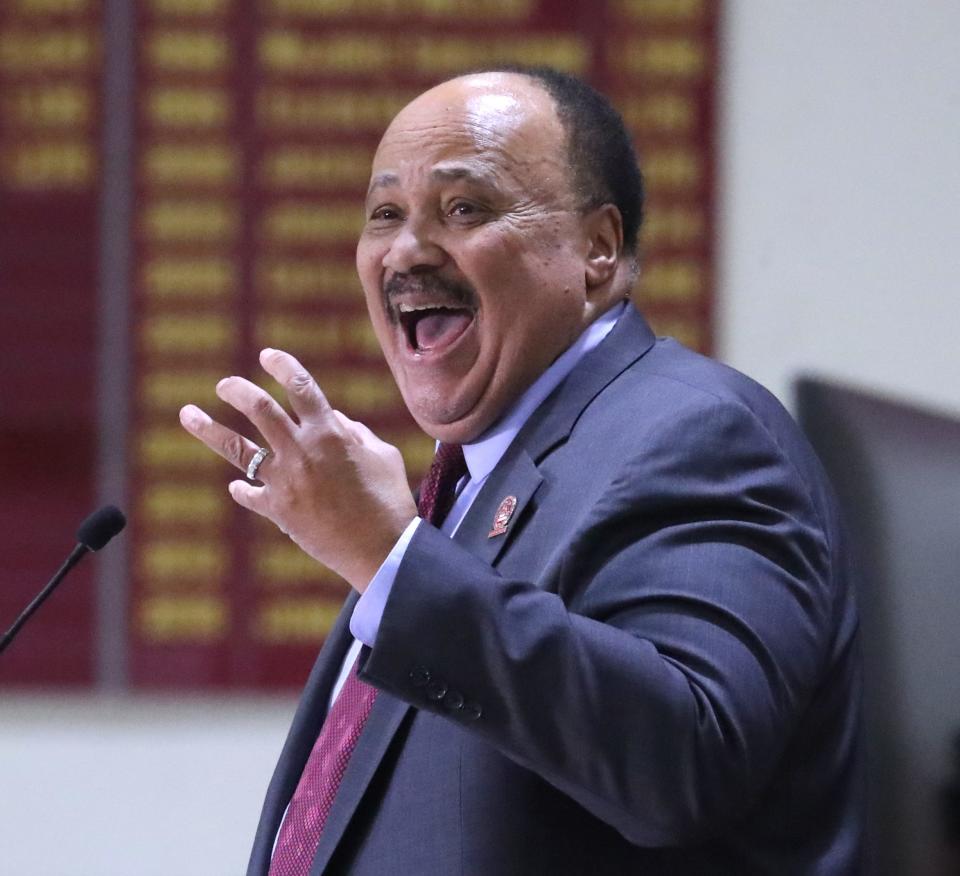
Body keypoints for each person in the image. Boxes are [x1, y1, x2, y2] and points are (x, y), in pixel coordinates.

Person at [180, 67, 863, 874]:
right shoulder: (463, 490)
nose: (406, 250)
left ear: (597, 250)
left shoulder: (696, 433)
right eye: (385, 214)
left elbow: (688, 757)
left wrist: (388, 560)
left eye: (464, 208)